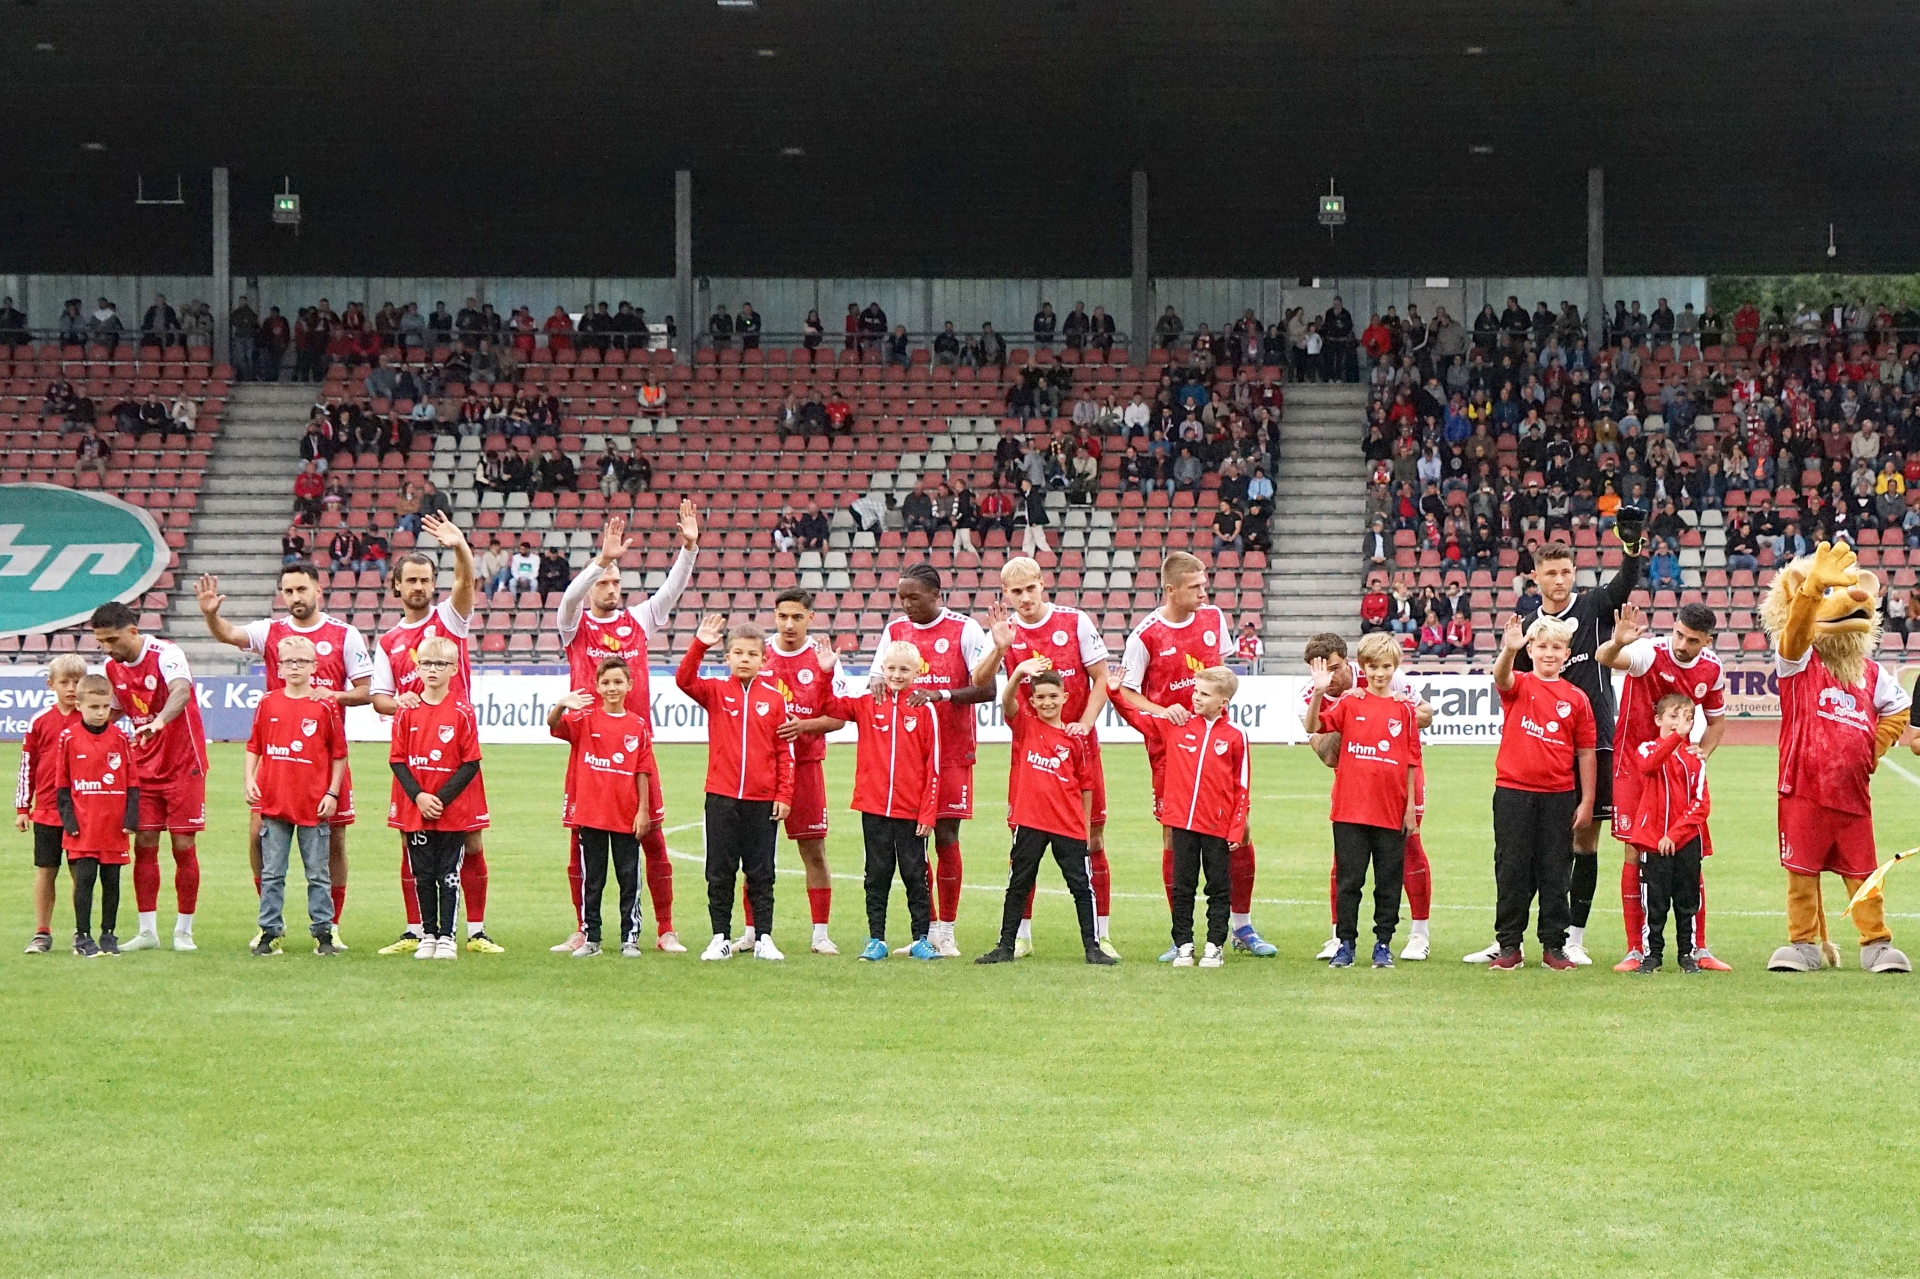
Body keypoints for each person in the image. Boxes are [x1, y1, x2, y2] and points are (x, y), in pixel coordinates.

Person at [1463, 535, 1642, 964]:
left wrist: (1632, 550)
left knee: (1583, 840)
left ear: (1574, 573)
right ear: (1536, 578)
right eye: (1551, 574)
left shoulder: (1594, 604)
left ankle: (1571, 937)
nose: (1559, 580)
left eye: (1565, 572)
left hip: (1594, 740)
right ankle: (1510, 939)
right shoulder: (1527, 625)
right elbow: (1512, 682)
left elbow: (1624, 585)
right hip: (1541, 749)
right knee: (1521, 852)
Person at [197, 562, 373, 944]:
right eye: (288, 591)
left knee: (334, 841)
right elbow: (229, 634)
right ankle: (269, 922)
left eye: (301, 589)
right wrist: (211, 616)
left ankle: (331, 924)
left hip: (323, 760)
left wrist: (331, 695)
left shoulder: (345, 634)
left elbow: (366, 691)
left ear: (318, 591)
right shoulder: (271, 631)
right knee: (257, 835)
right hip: (277, 760)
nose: (295, 597)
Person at [552, 503, 700, 954]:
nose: (612, 588)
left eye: (617, 581)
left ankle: (666, 929)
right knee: (582, 844)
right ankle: (584, 927)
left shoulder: (638, 620)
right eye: (604, 582)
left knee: (651, 836)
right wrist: (601, 560)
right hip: (588, 751)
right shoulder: (574, 625)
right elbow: (568, 599)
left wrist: (689, 549)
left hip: (636, 750)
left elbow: (672, 590)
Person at [1120, 551, 1275, 958]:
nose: (1204, 593)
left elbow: (1219, 676)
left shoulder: (1213, 619)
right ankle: (1182, 937)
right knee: (1175, 835)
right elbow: (1127, 693)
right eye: (1195, 587)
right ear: (1171, 590)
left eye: (1205, 584)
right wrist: (1163, 713)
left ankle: (1241, 926)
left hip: (1216, 746)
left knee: (1237, 830)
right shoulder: (1145, 636)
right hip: (1171, 751)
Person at [368, 516, 498, 954]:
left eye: (425, 579)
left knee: (470, 840)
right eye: (411, 580)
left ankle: (475, 930)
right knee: (412, 840)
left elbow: (465, 582)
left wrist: (460, 546)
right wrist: (400, 703)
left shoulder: (449, 620)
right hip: (415, 755)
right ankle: (417, 929)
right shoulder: (388, 641)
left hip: (455, 752)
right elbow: (380, 697)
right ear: (396, 586)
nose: (419, 587)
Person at [974, 563, 1116, 956]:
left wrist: (1086, 723)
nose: (1024, 598)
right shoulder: (1004, 632)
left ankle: (1101, 934)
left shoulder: (1075, 622)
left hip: (1078, 750)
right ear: (1005, 593)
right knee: (1024, 846)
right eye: (1015, 592)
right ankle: (1021, 935)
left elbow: (1102, 678)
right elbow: (979, 682)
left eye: (1030, 589)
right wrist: (1000, 649)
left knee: (1093, 840)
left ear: (1042, 584)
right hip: (1030, 754)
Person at [1594, 601, 1730, 971]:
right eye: (1679, 635)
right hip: (1633, 767)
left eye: (1692, 640)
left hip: (1677, 772)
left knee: (1689, 852)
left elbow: (1717, 721)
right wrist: (1617, 642)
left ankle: (1698, 948)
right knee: (1634, 852)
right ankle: (1636, 950)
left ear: (1707, 641)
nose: (1682, 645)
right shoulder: (1649, 652)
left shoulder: (1712, 668)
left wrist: (1701, 755)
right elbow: (1605, 657)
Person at [870, 564, 996, 957]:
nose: (906, 605)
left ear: (936, 595)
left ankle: (947, 930)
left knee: (946, 837)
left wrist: (941, 695)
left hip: (953, 752)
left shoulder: (965, 629)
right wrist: (876, 683)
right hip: (908, 759)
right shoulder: (895, 631)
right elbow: (877, 682)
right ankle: (925, 930)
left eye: (914, 597)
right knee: (914, 844)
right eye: (901, 598)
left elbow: (987, 689)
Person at [1300, 633, 1438, 961]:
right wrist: (1350, 711)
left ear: (1348, 663)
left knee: (1408, 848)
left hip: (1396, 775)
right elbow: (1328, 755)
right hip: (1355, 781)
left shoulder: (1386, 670)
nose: (1331, 677)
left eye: (1335, 668)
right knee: (1347, 861)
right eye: (1322, 670)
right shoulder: (1311, 695)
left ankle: (1419, 933)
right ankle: (1340, 935)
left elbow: (1426, 714)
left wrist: (1392, 710)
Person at [90, 603, 209, 953]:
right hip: (143, 766)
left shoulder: (166, 653)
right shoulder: (112, 668)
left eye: (112, 640)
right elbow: (115, 711)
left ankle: (183, 931)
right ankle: (147, 931)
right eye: (101, 642)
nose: (107, 648)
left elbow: (181, 691)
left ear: (132, 632)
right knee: (144, 844)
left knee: (183, 845)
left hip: (184, 763)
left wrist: (159, 721)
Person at [973, 665, 1112, 966]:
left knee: (1081, 887)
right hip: (1030, 822)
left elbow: (1086, 787)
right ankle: (1005, 946)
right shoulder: (1025, 725)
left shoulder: (1075, 739)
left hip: (1068, 825)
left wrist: (1085, 828)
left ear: (1065, 697)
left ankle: (1093, 947)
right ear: (1032, 701)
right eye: (1041, 698)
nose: (1047, 702)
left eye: (1053, 696)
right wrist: (1018, 673)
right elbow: (1006, 700)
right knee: (1018, 884)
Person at [676, 615, 795, 961]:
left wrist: (784, 794)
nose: (745, 659)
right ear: (727, 657)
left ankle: (764, 938)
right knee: (719, 870)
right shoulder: (715, 692)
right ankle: (720, 937)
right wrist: (700, 644)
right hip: (722, 797)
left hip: (762, 801)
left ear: (763, 660)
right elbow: (684, 679)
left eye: (752, 654)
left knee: (762, 872)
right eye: (738, 653)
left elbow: (783, 752)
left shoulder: (774, 699)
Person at [818, 640, 943, 961]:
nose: (897, 675)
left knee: (915, 875)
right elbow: (828, 705)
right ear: (882, 670)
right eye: (891, 668)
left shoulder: (925, 709)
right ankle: (876, 939)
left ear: (917, 671)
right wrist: (826, 672)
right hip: (873, 807)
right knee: (876, 874)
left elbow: (934, 765)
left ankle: (920, 939)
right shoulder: (867, 702)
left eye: (904, 669)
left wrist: (928, 813)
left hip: (911, 811)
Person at [1486, 614, 1597, 970]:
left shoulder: (1576, 698)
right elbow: (1500, 677)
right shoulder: (1518, 684)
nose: (1549, 653)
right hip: (1513, 792)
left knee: (1556, 871)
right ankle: (1509, 945)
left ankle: (1554, 945)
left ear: (1567, 653)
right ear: (1530, 649)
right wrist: (1509, 649)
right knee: (1511, 868)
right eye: (1543, 646)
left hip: (1558, 796)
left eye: (1557, 647)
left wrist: (1587, 800)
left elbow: (1586, 752)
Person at [244, 636, 347, 956]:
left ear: (314, 667)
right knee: (272, 872)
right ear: (279, 667)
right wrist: (249, 778)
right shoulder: (268, 702)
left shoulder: (325, 705)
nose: (295, 667)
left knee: (317, 873)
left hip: (313, 803)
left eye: (302, 661)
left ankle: (324, 932)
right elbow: (255, 746)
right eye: (288, 661)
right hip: (275, 801)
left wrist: (332, 792)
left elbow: (339, 754)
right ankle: (269, 931)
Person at [548, 659, 659, 958]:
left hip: (625, 815)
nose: (612, 688)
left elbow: (643, 771)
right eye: (606, 683)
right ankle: (592, 938)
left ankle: (630, 939)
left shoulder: (637, 725)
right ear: (597, 686)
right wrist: (561, 704)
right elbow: (553, 725)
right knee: (593, 880)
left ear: (629, 685)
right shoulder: (584, 720)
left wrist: (643, 811)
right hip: (591, 815)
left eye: (618, 682)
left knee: (629, 879)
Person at [387, 637, 488, 961]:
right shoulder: (406, 711)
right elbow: (397, 760)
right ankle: (428, 934)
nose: (432, 670)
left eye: (440, 664)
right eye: (427, 664)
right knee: (423, 874)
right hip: (417, 809)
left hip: (450, 810)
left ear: (454, 669)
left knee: (449, 874)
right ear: (417, 668)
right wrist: (418, 796)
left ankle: (448, 936)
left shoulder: (462, 711)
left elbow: (470, 762)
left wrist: (440, 799)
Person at [761, 590, 849, 955]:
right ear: (775, 615)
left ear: (811, 617)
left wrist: (804, 726)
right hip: (763, 768)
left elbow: (839, 717)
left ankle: (820, 934)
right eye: (783, 616)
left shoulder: (823, 658)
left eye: (797, 617)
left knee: (813, 851)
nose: (789, 624)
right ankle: (753, 932)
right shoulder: (760, 652)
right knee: (755, 854)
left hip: (806, 766)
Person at [1619, 695, 1711, 975]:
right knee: (1654, 903)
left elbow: (1701, 804)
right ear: (1658, 719)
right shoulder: (1647, 749)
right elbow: (1649, 766)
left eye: (1687, 718)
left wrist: (1675, 833)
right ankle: (1652, 955)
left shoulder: (1695, 759)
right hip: (1652, 840)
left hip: (1684, 841)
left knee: (1687, 901)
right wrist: (1675, 738)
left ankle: (1687, 955)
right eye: (1674, 716)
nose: (1680, 723)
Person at [53, 675, 141, 957]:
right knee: (85, 879)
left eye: (105, 706)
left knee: (111, 881)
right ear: (79, 706)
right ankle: (82, 936)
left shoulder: (120, 738)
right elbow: (62, 785)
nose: (101, 712)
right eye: (94, 707)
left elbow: (132, 782)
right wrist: (69, 821)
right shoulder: (68, 738)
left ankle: (108, 934)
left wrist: (130, 818)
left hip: (113, 825)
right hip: (83, 825)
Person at [15, 655, 86, 953]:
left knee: (81, 872)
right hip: (46, 809)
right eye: (64, 682)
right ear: (50, 684)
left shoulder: (91, 719)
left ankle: (82, 932)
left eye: (77, 682)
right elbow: (27, 765)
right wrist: (23, 808)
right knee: (46, 869)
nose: (71, 688)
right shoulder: (40, 721)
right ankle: (42, 932)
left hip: (82, 812)